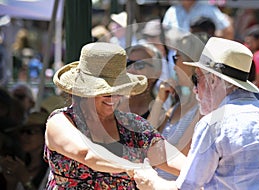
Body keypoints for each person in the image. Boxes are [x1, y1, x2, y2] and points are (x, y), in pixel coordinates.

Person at [133, 37, 259, 189]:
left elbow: (187, 188)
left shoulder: (215, 123)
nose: (195, 89)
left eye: (196, 79)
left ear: (213, 80)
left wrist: (150, 181)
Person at [44, 42, 186, 189]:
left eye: (118, 91)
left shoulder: (134, 126)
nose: (112, 98)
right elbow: (87, 154)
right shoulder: (61, 121)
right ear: (84, 91)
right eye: (105, 92)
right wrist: (133, 168)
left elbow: (172, 160)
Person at [153, 34, 203, 181]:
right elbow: (146, 135)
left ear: (192, 63)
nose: (173, 66)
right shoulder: (177, 106)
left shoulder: (203, 109)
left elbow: (182, 154)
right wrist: (159, 100)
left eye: (176, 58)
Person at [0, 111, 49, 190]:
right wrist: (12, 182)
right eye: (21, 132)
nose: (23, 137)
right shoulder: (21, 165)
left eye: (30, 132)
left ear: (45, 135)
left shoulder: (52, 171)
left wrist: (25, 180)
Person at [118, 43, 163, 120]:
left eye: (140, 64)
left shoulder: (159, 113)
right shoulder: (110, 103)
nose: (131, 70)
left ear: (156, 74)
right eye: (128, 63)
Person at [162, 0, 230, 35]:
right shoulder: (171, 11)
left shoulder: (208, 9)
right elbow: (164, 35)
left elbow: (227, 31)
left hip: (202, 58)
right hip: (175, 58)